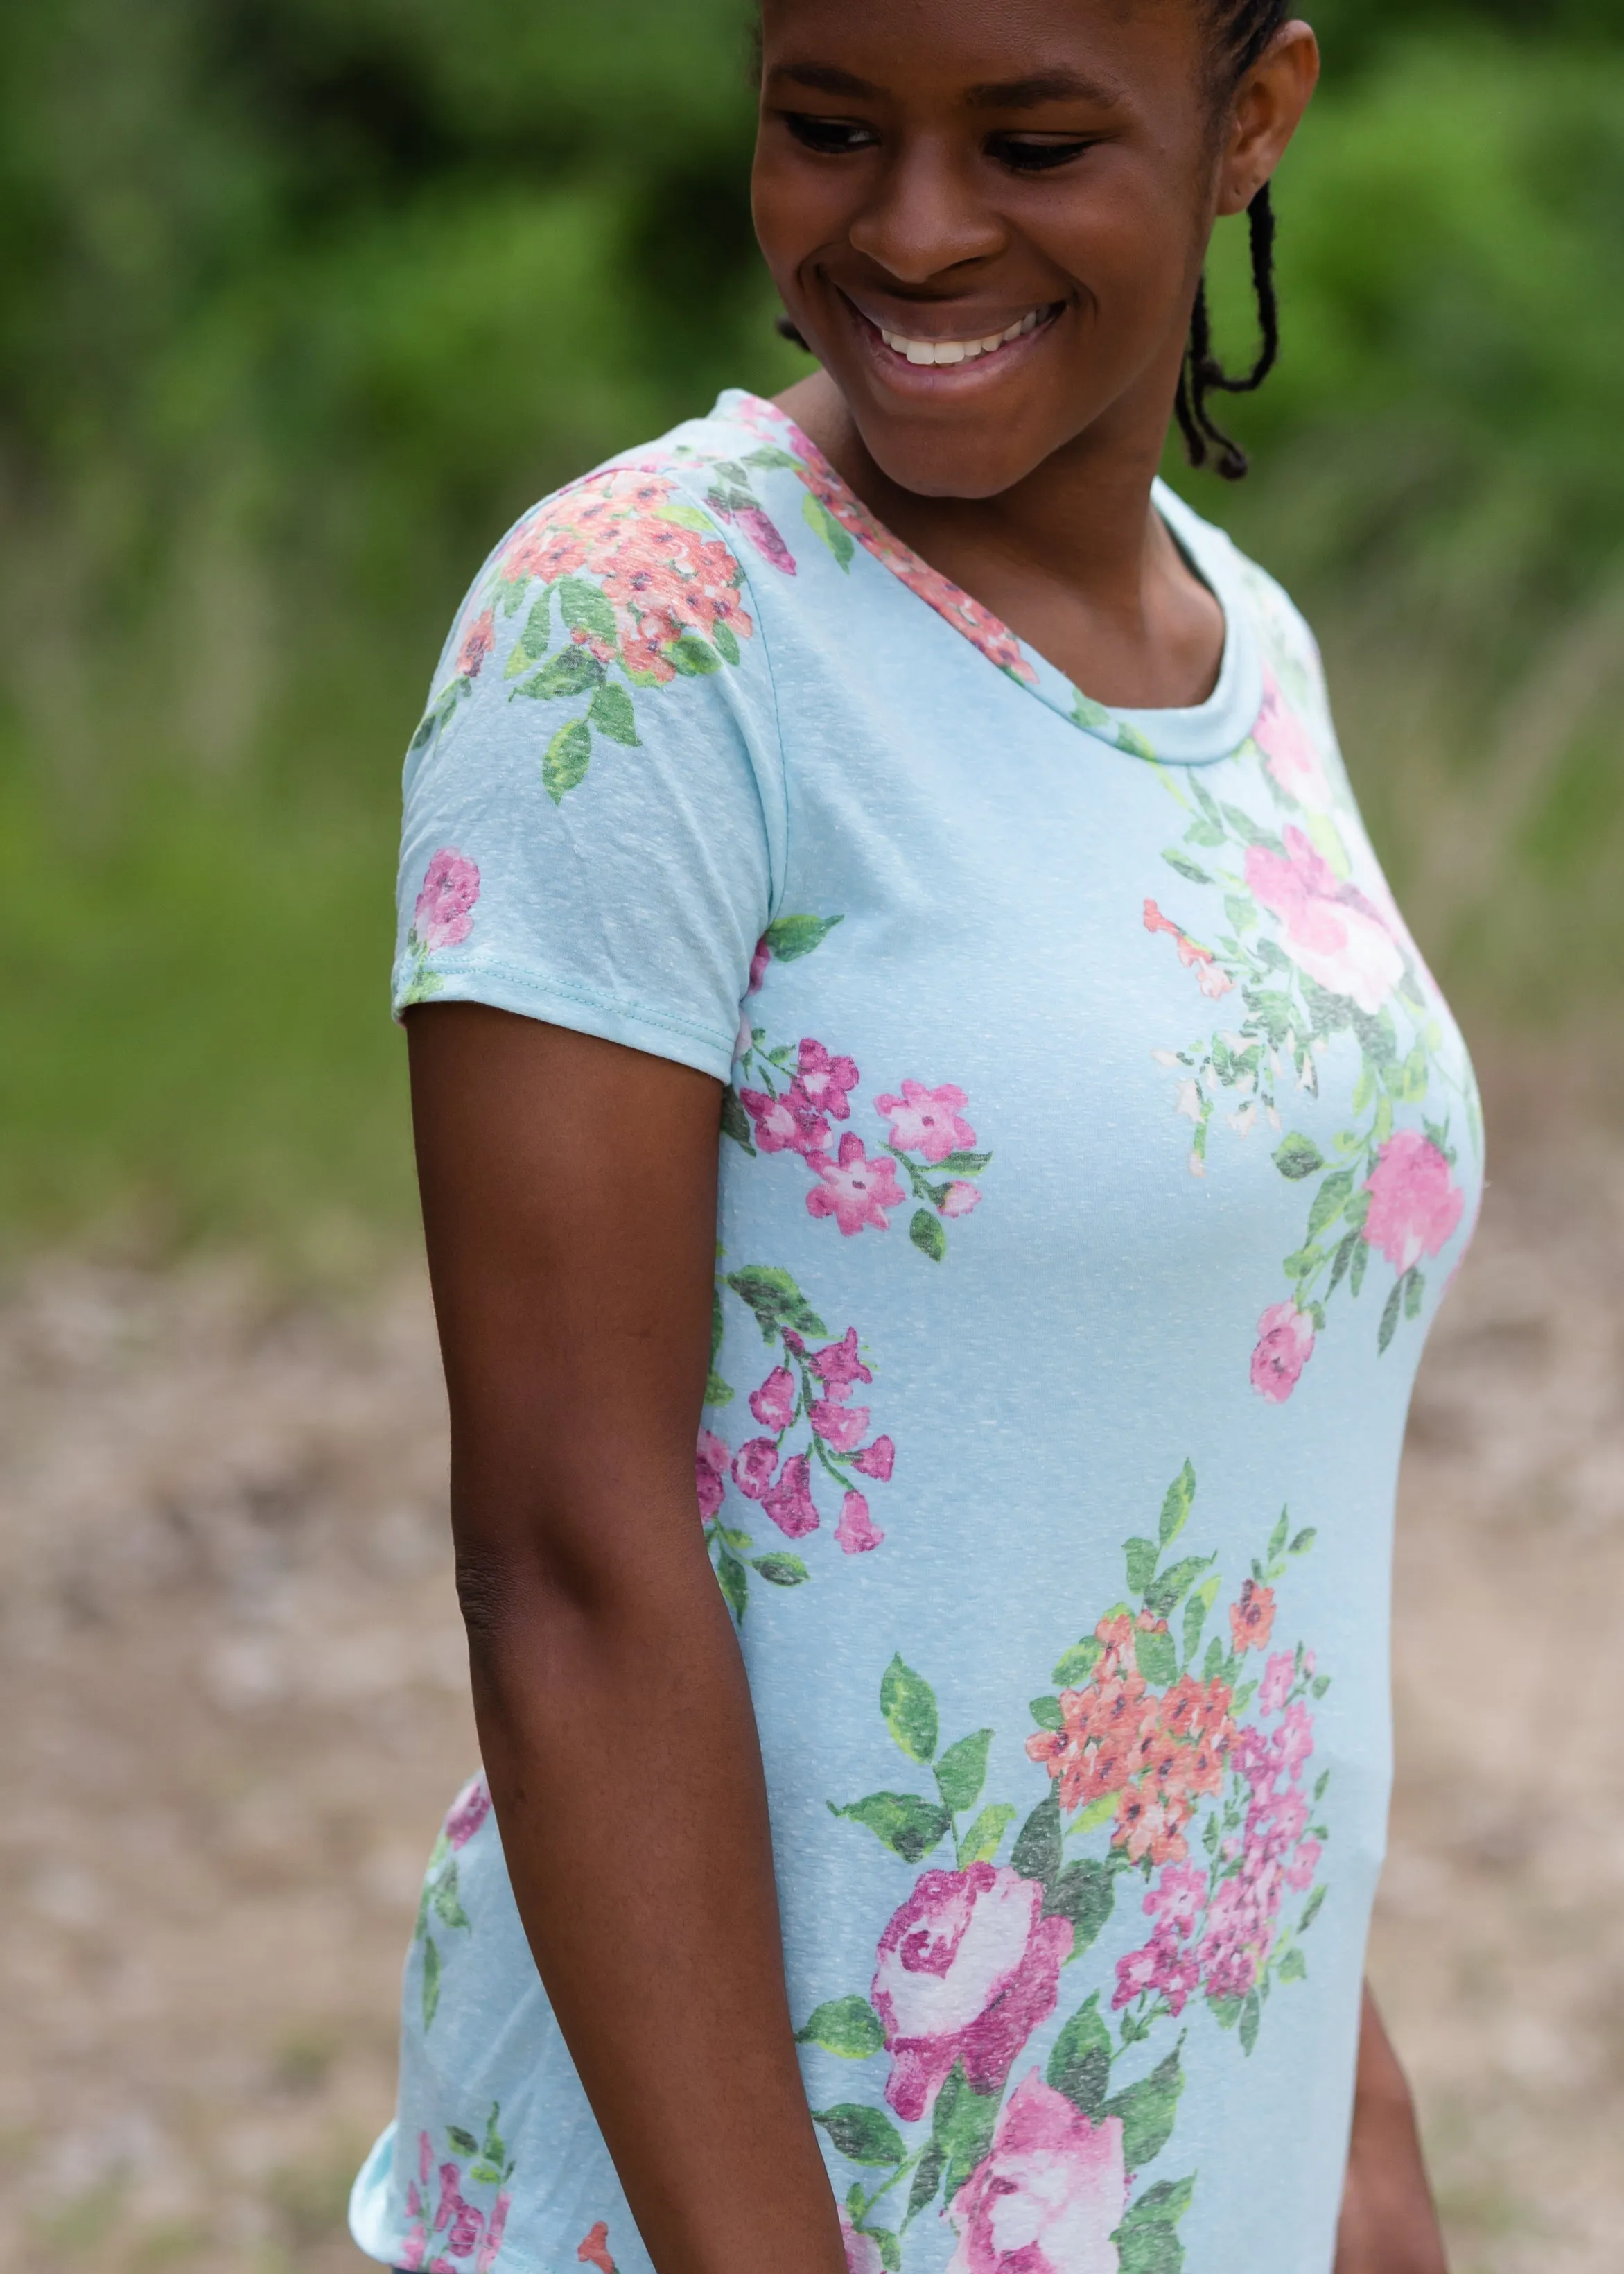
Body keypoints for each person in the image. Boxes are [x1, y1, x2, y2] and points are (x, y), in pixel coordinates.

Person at [348, 3, 1481, 2270]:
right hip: (739, 2199)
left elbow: (1211, 1525)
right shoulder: (643, 640)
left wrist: (1343, 2128)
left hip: (1191, 2170)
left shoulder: (1243, 657)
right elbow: (563, 1558)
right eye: (830, 130)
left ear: (1249, 116)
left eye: (1034, 138)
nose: (913, 229)